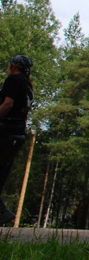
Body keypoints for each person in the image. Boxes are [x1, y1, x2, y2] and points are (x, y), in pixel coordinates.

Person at [0, 55, 34, 226]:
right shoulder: (28, 87)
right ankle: (2, 214)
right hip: (17, 136)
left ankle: (2, 213)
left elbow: (7, 104)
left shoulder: (13, 80)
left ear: (13, 66)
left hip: (6, 132)